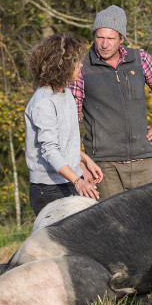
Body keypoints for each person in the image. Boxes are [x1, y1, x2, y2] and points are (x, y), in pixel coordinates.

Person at [68, 5, 152, 199]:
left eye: (111, 38)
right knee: (114, 226)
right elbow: (71, 121)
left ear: (121, 39)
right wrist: (82, 164)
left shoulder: (139, 58)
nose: (104, 44)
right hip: (103, 166)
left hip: (144, 158)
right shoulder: (82, 67)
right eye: (100, 37)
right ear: (94, 36)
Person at [24, 33, 103, 215]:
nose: (81, 65)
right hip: (48, 188)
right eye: (76, 62)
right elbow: (50, 150)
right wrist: (78, 181)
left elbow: (64, 142)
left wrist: (86, 161)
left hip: (69, 180)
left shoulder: (65, 92)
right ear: (62, 67)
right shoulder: (43, 103)